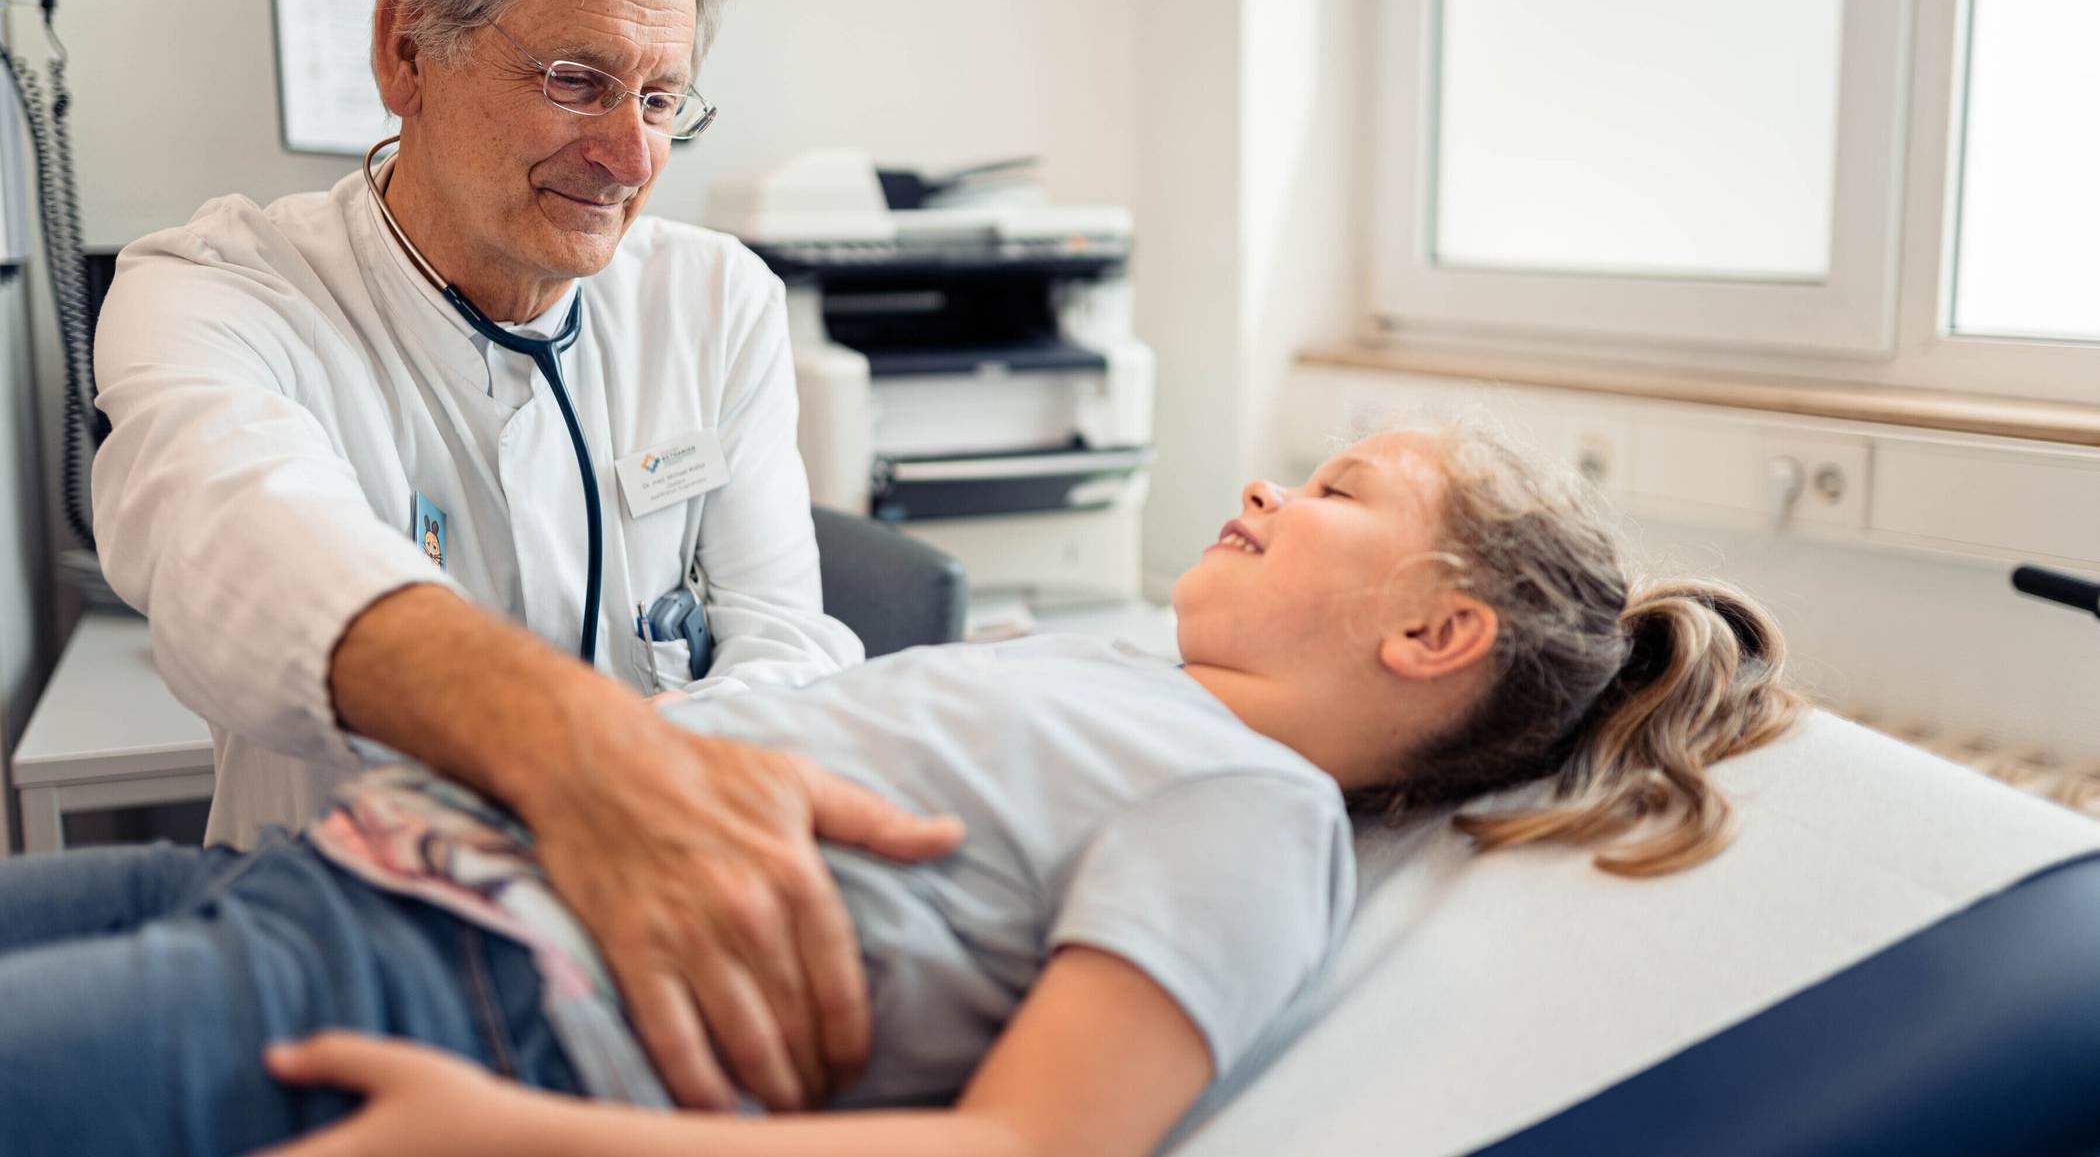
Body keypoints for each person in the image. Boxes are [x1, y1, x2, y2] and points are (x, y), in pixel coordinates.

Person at [0, 423, 1802, 1157]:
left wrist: (520, 1141)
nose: (1263, 487)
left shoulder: (1249, 815)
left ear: (1434, 629)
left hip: (454, 997)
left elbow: (1015, 1148)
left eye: (1335, 489)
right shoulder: (1117, 668)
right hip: (306, 875)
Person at [87, 0, 956, 1113]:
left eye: (662, 99)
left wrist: (642, 790)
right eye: (576, 79)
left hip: (645, 956)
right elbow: (234, 534)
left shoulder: (716, 301)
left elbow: (786, 635)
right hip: (347, 939)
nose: (631, 156)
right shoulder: (220, 292)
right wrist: (580, 765)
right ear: (404, 54)